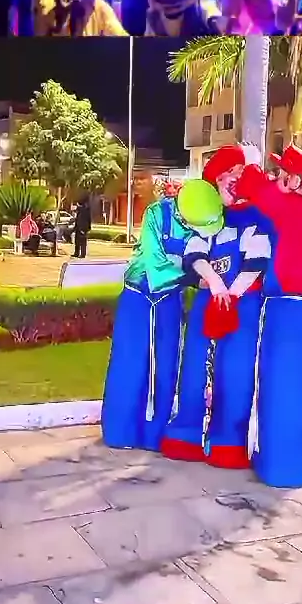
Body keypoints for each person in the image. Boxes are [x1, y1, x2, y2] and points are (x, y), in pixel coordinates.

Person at [162, 144, 274, 470]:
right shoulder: (210, 222)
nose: (232, 181)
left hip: (242, 305)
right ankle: (187, 434)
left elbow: (256, 263)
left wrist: (232, 294)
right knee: (195, 366)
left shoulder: (255, 220)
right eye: (225, 176)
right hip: (209, 302)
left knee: (235, 371)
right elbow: (195, 255)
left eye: (237, 174)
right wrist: (213, 282)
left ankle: (229, 442)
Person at [102, 178, 225, 452]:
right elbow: (155, 264)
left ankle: (155, 434)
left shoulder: (201, 224)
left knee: (166, 364)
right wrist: (196, 279)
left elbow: (200, 257)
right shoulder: (156, 214)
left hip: (169, 301)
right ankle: (121, 431)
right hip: (138, 298)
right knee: (130, 363)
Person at [234, 143, 302, 488]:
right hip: (300, 313)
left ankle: (277, 467)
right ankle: (286, 464)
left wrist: (250, 161)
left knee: (279, 388)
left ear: (294, 181)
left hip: (285, 312)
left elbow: (253, 188)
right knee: (291, 390)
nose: (275, 178)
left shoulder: (292, 208)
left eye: (281, 173)